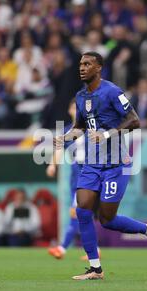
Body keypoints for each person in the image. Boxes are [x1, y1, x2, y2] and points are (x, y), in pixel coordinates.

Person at [54, 52, 147, 280]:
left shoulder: (112, 91)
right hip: (92, 164)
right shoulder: (80, 96)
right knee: (82, 210)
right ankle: (96, 268)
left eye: (87, 64)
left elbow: (135, 120)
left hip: (116, 164)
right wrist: (64, 137)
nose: (82, 68)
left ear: (99, 68)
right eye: (80, 64)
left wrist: (107, 134)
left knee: (107, 220)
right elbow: (80, 128)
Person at [47, 99, 100, 260]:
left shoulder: (91, 129)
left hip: (87, 175)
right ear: (70, 110)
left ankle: (62, 248)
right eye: (73, 107)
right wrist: (52, 165)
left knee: (76, 212)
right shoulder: (67, 131)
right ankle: (94, 249)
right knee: (83, 214)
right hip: (74, 176)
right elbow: (58, 149)